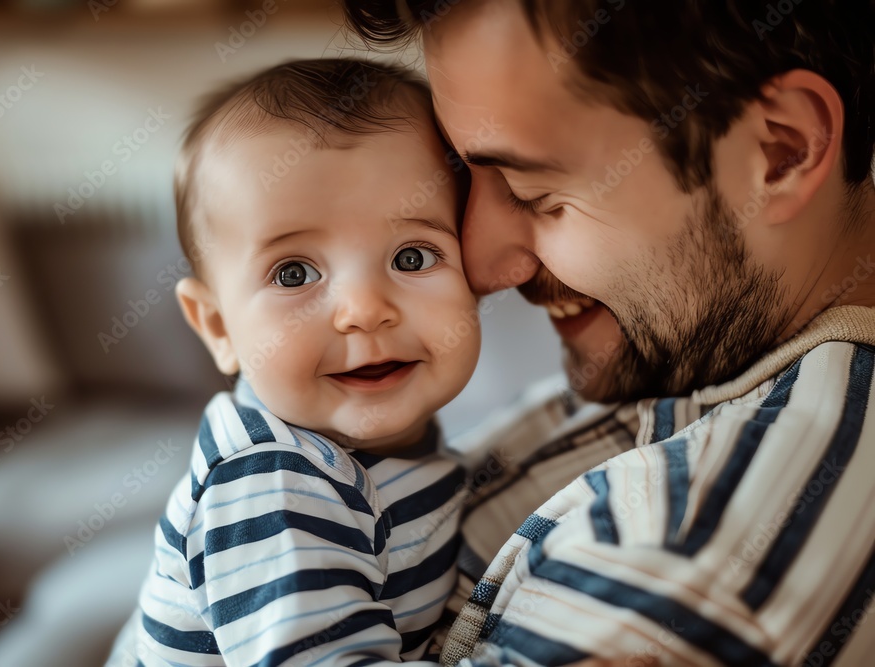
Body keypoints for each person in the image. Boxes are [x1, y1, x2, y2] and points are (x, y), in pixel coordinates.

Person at [340, 0, 875, 665]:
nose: (477, 265)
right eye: (465, 180)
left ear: (781, 150)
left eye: (534, 194)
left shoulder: (677, 565)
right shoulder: (687, 355)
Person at [104, 58, 484, 666]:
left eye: (413, 257)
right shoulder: (272, 481)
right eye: (294, 273)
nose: (363, 311)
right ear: (218, 326)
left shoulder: (405, 450)